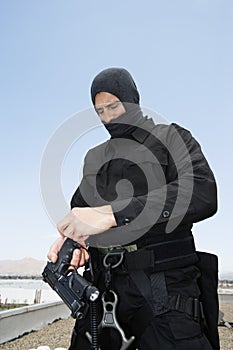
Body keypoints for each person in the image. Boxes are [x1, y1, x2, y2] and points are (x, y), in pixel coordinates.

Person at [48, 68, 219, 350]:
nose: (108, 117)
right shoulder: (94, 158)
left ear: (132, 99)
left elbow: (203, 193)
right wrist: (73, 242)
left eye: (113, 106)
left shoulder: (171, 137)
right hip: (102, 292)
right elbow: (81, 212)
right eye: (100, 111)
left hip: (166, 292)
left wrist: (112, 214)